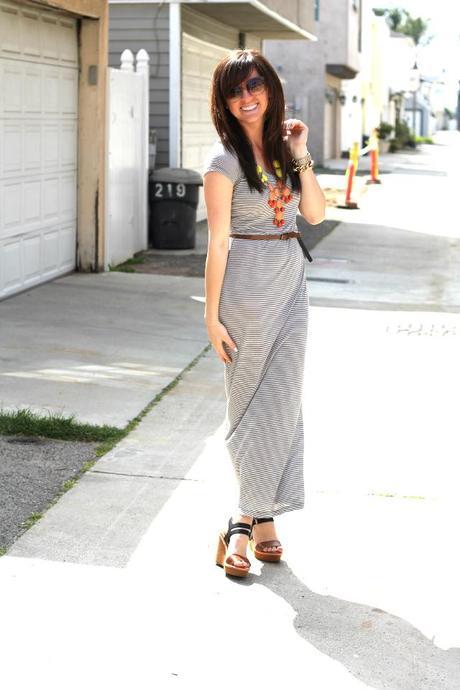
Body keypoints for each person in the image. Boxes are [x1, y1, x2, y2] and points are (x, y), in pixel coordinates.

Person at [203, 49, 326, 578]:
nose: (246, 97)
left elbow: (316, 213)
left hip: (291, 286)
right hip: (244, 294)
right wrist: (211, 316)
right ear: (225, 103)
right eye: (235, 91)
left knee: (282, 405)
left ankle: (256, 519)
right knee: (249, 408)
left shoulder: (285, 150)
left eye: (254, 85)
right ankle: (247, 521)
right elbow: (217, 243)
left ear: (270, 88)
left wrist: (299, 150)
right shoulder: (222, 163)